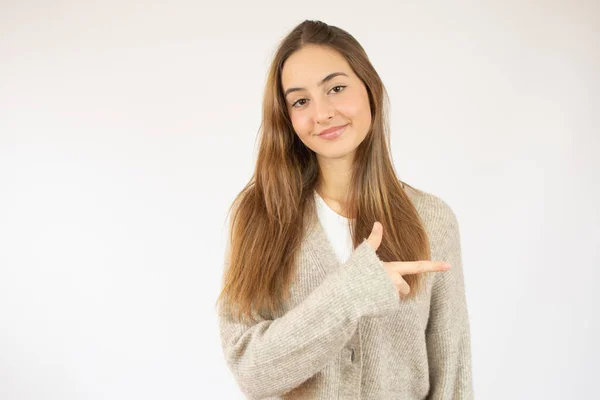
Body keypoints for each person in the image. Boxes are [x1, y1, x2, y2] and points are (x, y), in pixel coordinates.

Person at [215, 19, 473, 399]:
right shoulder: (259, 215)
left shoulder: (431, 219)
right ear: (287, 117)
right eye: (301, 101)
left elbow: (453, 377)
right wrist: (352, 292)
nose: (322, 113)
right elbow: (252, 371)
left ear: (369, 89)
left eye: (336, 88)